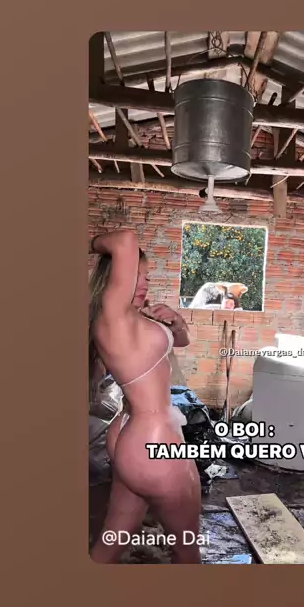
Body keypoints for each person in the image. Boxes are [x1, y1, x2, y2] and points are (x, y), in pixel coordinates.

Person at [88, 228, 202, 564]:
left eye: (147, 276)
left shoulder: (130, 319)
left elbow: (180, 342)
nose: (145, 283)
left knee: (114, 539)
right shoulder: (115, 316)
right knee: (188, 550)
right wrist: (86, 245)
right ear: (115, 279)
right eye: (137, 275)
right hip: (153, 439)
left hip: (130, 432)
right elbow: (125, 239)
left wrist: (175, 324)